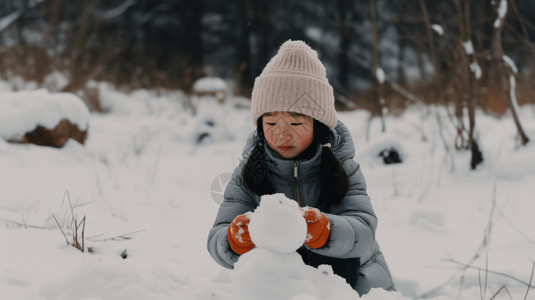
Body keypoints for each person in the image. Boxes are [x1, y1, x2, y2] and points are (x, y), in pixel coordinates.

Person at [207, 40, 395, 295]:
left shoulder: (343, 167)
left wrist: (325, 231)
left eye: (295, 124)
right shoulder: (249, 172)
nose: (282, 135)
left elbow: (363, 230)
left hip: (352, 284)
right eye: (271, 123)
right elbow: (217, 236)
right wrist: (234, 239)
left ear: (318, 125)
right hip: (284, 286)